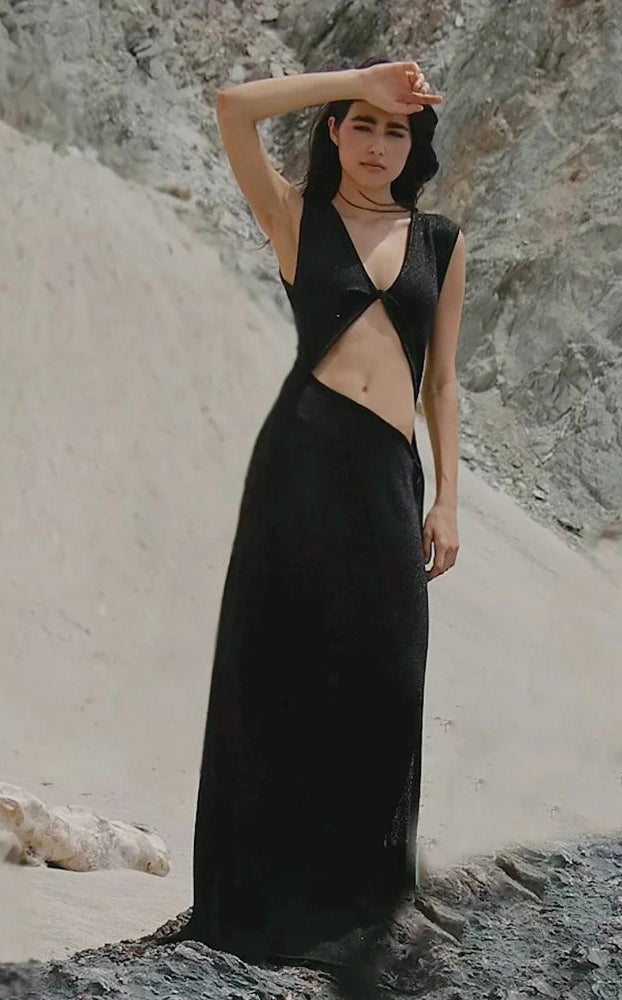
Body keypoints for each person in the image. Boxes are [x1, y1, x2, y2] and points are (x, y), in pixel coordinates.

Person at [163, 56, 466, 969]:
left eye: (395, 130)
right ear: (334, 132)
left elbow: (443, 380)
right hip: (297, 462)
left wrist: (449, 496)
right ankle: (257, 904)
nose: (378, 144)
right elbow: (231, 108)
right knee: (279, 668)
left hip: (385, 472)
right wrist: (365, 79)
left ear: (414, 147)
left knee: (382, 669)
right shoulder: (298, 218)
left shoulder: (439, 240)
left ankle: (364, 901)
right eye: (362, 125)